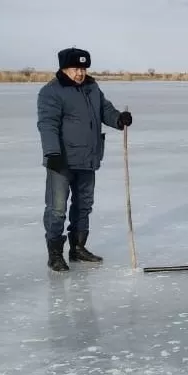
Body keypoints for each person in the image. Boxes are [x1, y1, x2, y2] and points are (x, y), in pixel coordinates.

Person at [36, 46, 132, 272]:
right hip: (61, 161)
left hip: (88, 158)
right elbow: (47, 124)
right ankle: (55, 254)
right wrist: (52, 153)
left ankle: (78, 248)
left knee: (83, 206)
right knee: (57, 208)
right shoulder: (51, 92)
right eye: (74, 68)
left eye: (83, 68)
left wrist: (119, 119)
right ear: (63, 68)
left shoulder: (92, 87)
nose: (80, 73)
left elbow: (104, 110)